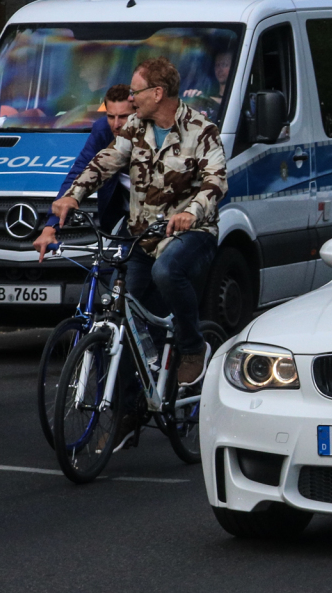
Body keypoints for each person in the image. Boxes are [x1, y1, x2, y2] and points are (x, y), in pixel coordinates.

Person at [50, 56, 227, 388]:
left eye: (136, 91)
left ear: (158, 93)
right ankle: (129, 409)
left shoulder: (202, 130)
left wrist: (192, 212)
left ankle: (192, 347)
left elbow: (215, 182)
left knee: (166, 272)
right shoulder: (134, 126)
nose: (132, 98)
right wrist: (74, 195)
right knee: (126, 312)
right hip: (143, 236)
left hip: (191, 233)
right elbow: (106, 161)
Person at [33, 84, 134, 261]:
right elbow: (79, 172)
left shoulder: (154, 133)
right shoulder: (103, 130)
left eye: (123, 117)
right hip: (124, 218)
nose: (116, 124)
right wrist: (51, 226)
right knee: (115, 280)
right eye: (111, 116)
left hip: (161, 216)